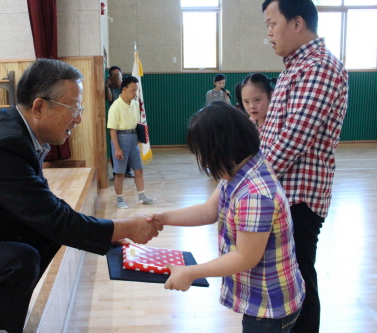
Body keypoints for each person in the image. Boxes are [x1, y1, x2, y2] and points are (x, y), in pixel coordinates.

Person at [0, 59, 162, 333]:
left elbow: (48, 212)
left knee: (42, 234)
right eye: (74, 108)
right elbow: (54, 217)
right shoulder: (4, 144)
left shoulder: (16, 132)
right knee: (19, 259)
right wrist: (124, 227)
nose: (79, 118)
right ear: (38, 106)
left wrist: (111, 235)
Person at [148, 102, 304, 333]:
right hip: (262, 299)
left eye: (202, 153)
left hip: (269, 307)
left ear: (220, 149)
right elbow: (208, 210)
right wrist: (162, 217)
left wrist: (191, 272)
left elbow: (244, 257)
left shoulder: (254, 195)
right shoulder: (240, 169)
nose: (202, 161)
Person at [261, 1, 349, 332]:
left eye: (272, 23)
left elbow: (293, 140)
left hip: (299, 200)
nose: (268, 33)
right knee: (289, 283)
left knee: (299, 284)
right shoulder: (295, 67)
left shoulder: (319, 67)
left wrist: (247, 180)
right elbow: (274, 136)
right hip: (282, 195)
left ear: (297, 23)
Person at [107, 75, 154, 209]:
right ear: (124, 89)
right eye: (133, 90)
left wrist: (139, 136)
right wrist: (117, 148)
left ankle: (142, 196)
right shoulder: (115, 106)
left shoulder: (134, 103)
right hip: (121, 139)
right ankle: (119, 199)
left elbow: (136, 123)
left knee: (139, 170)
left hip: (133, 139)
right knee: (120, 172)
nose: (135, 93)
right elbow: (112, 131)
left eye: (136, 90)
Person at [105, 66, 134, 178]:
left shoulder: (126, 86)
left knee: (128, 145)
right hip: (115, 120)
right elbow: (110, 99)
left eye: (119, 75)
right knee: (115, 145)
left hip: (127, 119)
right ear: (110, 77)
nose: (117, 77)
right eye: (114, 75)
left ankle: (127, 170)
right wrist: (107, 86)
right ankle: (117, 171)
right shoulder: (110, 87)